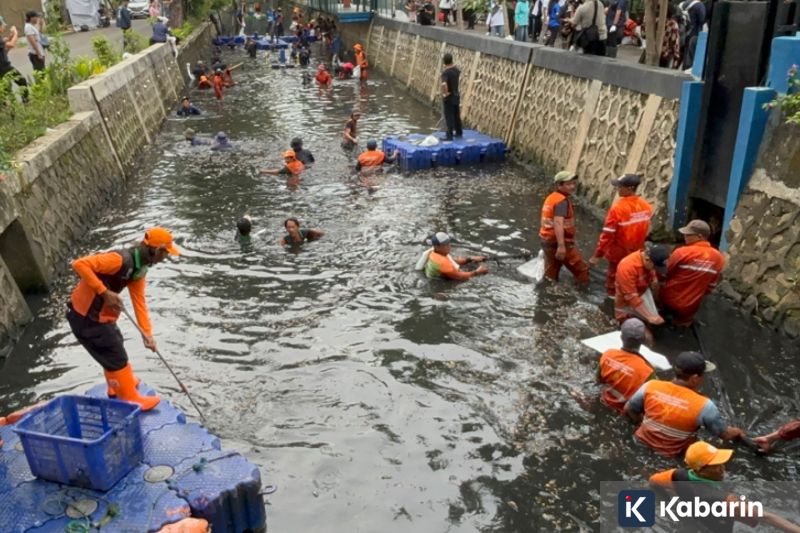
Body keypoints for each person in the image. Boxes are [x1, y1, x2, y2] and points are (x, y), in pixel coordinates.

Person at [67, 227, 180, 410]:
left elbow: (139, 302)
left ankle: (116, 386)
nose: (165, 258)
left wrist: (147, 333)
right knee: (116, 355)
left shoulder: (139, 269)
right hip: (84, 315)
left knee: (114, 342)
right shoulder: (119, 259)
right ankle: (129, 398)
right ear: (157, 250)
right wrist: (104, 292)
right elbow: (79, 264)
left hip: (100, 316)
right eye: (165, 254)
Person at [650, 441, 800, 532]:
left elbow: (653, 481)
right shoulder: (724, 500)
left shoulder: (676, 475)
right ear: (702, 470)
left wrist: (670, 502)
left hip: (696, 517)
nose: (722, 467)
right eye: (716, 465)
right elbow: (767, 518)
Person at [624, 351, 745, 457]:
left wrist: (642, 424)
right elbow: (725, 435)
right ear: (695, 378)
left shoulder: (650, 386)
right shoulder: (704, 405)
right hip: (669, 456)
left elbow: (629, 409)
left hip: (639, 443)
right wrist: (738, 432)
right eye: (703, 374)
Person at [589, 174, 654, 297]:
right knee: (632, 277)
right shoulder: (647, 207)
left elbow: (607, 235)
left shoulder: (617, 209)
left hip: (618, 253)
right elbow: (646, 230)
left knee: (613, 282)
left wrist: (597, 255)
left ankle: (612, 302)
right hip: (636, 252)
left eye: (620, 186)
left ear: (630, 188)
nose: (617, 189)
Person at [657, 219, 724, 326]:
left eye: (688, 234)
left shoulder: (682, 252)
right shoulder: (718, 258)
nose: (684, 236)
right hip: (691, 306)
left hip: (669, 299)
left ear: (700, 236)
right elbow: (710, 286)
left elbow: (664, 273)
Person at [539, 171, 590, 284]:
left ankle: (548, 292)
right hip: (559, 243)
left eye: (573, 183)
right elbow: (558, 222)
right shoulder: (561, 201)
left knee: (551, 272)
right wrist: (561, 246)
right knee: (581, 270)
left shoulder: (552, 198)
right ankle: (581, 293)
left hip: (547, 240)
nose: (572, 187)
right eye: (568, 184)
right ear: (559, 185)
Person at [597, 318, 655, 413]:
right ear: (643, 340)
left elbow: (598, 380)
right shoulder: (647, 371)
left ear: (621, 336)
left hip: (604, 402)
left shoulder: (607, 354)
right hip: (624, 412)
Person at [614, 246, 668, 325]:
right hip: (626, 300)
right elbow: (631, 297)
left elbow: (653, 276)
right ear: (648, 260)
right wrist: (650, 317)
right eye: (654, 267)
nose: (654, 270)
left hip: (642, 290)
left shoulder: (650, 260)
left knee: (652, 319)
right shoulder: (627, 268)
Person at [423, 232, 489, 281]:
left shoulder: (435, 252)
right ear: (437, 246)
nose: (449, 246)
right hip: (443, 281)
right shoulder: (442, 262)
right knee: (485, 272)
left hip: (447, 273)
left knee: (475, 263)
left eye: (448, 243)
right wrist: (477, 272)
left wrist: (470, 259)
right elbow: (460, 277)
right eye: (445, 244)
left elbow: (452, 261)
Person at [0, 16, 29, 102]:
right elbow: (11, 45)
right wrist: (16, 34)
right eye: (2, 25)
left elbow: (4, 47)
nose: (4, 27)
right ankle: (25, 102)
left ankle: (9, 109)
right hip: (4, 67)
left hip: (3, 67)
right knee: (22, 81)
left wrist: (10, 37)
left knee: (6, 90)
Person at [441, 53, 463, 140]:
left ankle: (449, 135)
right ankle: (459, 132)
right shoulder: (456, 70)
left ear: (444, 62)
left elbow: (444, 84)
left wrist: (445, 93)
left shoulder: (445, 73)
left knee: (449, 116)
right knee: (456, 115)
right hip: (456, 95)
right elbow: (456, 70)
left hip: (449, 97)